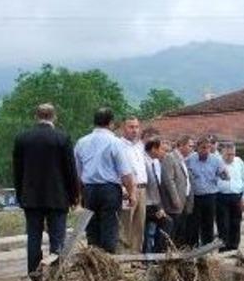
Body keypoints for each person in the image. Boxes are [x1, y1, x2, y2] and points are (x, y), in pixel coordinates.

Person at [12, 103, 80, 277]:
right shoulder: (62, 138)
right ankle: (57, 276)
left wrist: (20, 195)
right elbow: (70, 171)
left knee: (33, 237)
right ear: (54, 117)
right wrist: (74, 196)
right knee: (57, 238)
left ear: (36, 117)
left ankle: (34, 276)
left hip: (31, 198)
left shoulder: (22, 139)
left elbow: (17, 170)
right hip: (57, 197)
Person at [74, 107, 135, 253]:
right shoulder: (115, 142)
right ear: (111, 123)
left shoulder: (82, 142)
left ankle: (93, 262)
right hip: (109, 190)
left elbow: (77, 172)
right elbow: (125, 172)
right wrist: (132, 193)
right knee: (109, 228)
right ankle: (108, 264)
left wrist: (79, 195)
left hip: (88, 189)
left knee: (92, 228)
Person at [184, 136, 228, 246]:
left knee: (208, 224)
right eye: (203, 148)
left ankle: (207, 249)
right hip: (195, 197)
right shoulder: (189, 160)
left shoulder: (216, 160)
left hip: (210, 196)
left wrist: (224, 174)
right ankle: (193, 248)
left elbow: (225, 176)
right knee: (193, 224)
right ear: (197, 148)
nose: (206, 151)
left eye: (208, 148)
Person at [117, 116, 149, 252]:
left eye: (136, 127)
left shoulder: (140, 146)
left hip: (142, 189)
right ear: (123, 128)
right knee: (125, 225)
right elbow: (117, 170)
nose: (134, 130)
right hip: (127, 190)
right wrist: (124, 189)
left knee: (139, 225)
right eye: (131, 127)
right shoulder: (118, 145)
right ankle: (124, 260)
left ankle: (136, 257)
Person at [215, 141, 244, 251]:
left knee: (236, 222)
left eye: (233, 154)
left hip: (236, 196)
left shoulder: (239, 162)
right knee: (223, 223)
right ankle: (223, 246)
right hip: (221, 196)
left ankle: (234, 246)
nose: (231, 157)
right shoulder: (217, 162)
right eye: (228, 154)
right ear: (222, 153)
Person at [142, 137, 174, 253]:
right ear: (154, 149)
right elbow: (148, 185)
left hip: (153, 203)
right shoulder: (143, 161)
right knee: (165, 223)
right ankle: (155, 254)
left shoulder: (154, 162)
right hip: (146, 203)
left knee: (166, 222)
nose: (164, 153)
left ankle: (157, 253)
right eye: (162, 150)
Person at [163, 135, 193, 247]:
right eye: (190, 146)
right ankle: (169, 253)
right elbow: (169, 180)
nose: (192, 148)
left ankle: (178, 253)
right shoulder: (170, 157)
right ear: (181, 145)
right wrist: (175, 199)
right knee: (173, 231)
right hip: (174, 203)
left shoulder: (182, 159)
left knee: (181, 230)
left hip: (184, 200)